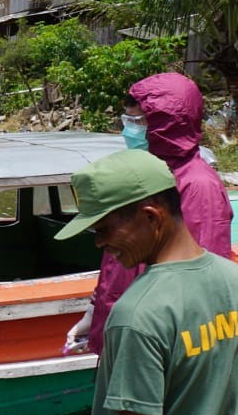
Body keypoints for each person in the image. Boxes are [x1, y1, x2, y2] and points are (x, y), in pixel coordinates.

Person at [54, 148, 238, 415]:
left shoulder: (139, 313)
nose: (102, 245)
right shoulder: (232, 279)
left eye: (104, 229)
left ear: (151, 217)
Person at [65, 72, 233, 356]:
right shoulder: (143, 175)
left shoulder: (197, 184)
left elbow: (199, 280)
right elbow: (116, 259)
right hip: (126, 324)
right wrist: (96, 310)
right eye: (126, 121)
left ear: (166, 125)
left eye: (137, 122)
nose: (129, 130)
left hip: (156, 338)